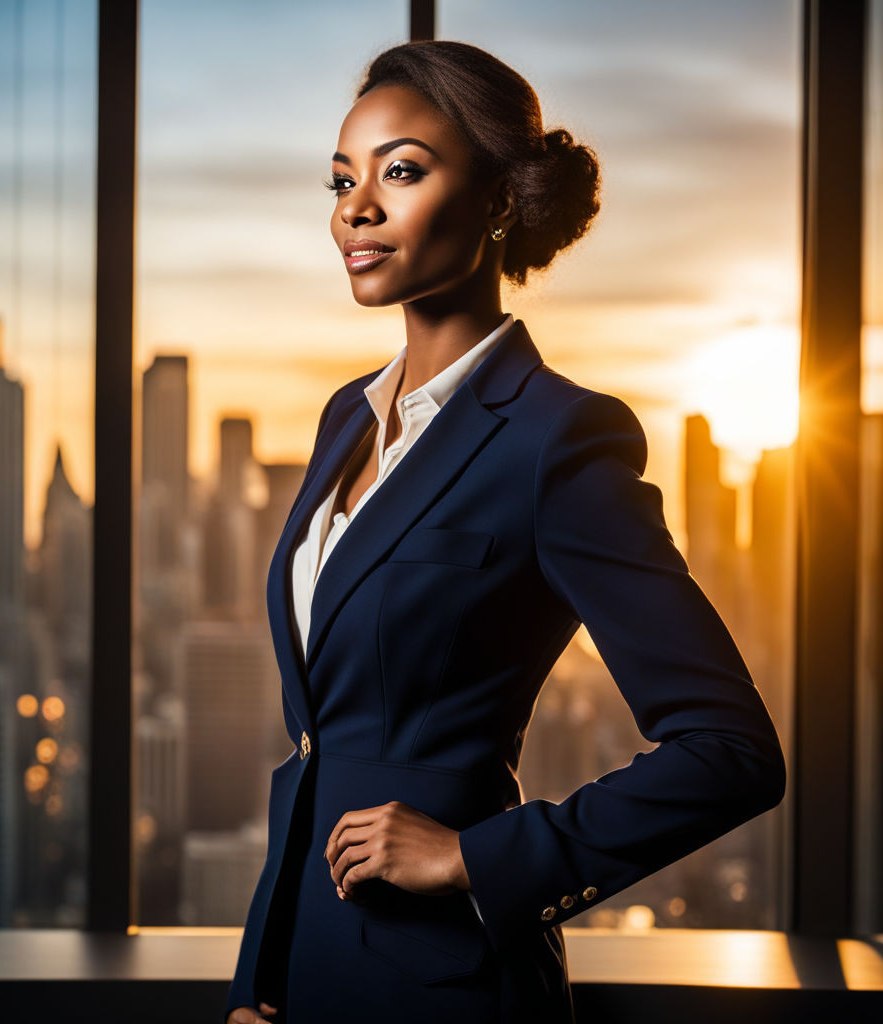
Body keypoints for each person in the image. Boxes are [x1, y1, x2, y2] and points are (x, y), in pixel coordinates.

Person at [225, 39, 785, 1024]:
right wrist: (260, 980)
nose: (355, 207)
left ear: (494, 199)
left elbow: (730, 750)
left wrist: (475, 856)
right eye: (342, 179)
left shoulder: (555, 439)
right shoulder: (343, 420)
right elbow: (321, 747)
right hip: (307, 971)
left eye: (400, 171)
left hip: (445, 990)